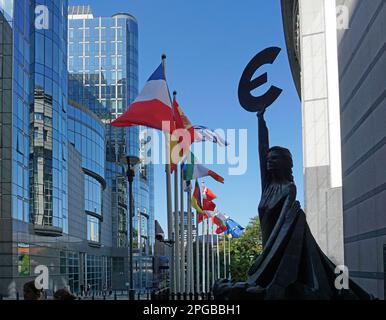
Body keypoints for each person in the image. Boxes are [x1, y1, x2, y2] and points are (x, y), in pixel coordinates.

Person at [213, 107, 373, 300]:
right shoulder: (267, 186)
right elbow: (261, 148)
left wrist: (266, 260)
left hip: (281, 248)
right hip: (269, 249)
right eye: (268, 160)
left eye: (274, 159)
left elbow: (284, 224)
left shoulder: (288, 188)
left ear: (284, 163)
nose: (269, 162)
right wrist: (260, 119)